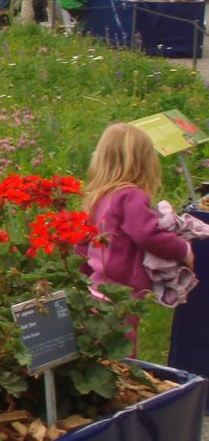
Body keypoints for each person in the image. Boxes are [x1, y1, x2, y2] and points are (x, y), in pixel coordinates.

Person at [82, 123, 195, 316]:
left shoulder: (98, 197)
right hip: (122, 292)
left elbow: (83, 244)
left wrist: (82, 276)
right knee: (123, 332)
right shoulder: (130, 195)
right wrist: (183, 250)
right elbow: (148, 234)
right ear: (145, 163)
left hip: (97, 285)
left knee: (100, 331)